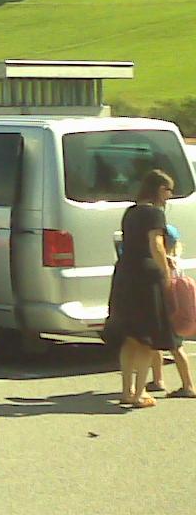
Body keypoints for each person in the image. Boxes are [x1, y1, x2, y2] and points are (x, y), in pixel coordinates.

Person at [103, 169, 179, 407]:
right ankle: (139, 394)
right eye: (169, 191)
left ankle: (127, 391)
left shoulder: (131, 212)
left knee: (130, 337)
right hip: (146, 277)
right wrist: (166, 274)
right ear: (160, 189)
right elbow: (156, 244)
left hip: (125, 273)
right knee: (146, 338)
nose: (169, 196)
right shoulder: (155, 213)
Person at [151, 223, 196, 397]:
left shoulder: (166, 262)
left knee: (173, 347)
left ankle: (187, 385)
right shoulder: (177, 261)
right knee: (161, 345)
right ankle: (159, 380)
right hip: (174, 308)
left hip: (168, 308)